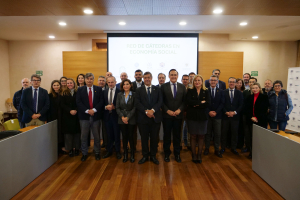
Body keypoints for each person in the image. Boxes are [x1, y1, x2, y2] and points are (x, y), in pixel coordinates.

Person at [135, 72, 162, 165]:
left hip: (155, 118)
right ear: (143, 78)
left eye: (148, 77)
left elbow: (160, 101)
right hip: (143, 119)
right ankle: (145, 155)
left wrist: (153, 110)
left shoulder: (157, 89)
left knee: (154, 138)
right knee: (144, 138)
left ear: (151, 78)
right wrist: (146, 111)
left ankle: (153, 155)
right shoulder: (139, 90)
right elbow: (137, 103)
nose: (147, 79)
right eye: (145, 77)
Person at [161, 69, 186, 163]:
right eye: (171, 75)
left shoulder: (182, 86)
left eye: (175, 75)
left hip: (178, 116)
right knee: (167, 135)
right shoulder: (163, 86)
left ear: (177, 76)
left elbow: (184, 101)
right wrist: (167, 110)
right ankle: (167, 154)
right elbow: (161, 101)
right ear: (168, 76)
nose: (173, 76)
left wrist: (180, 109)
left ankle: (177, 154)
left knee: (177, 136)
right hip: (167, 116)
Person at [76, 73, 103, 161]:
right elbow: (79, 102)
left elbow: (101, 102)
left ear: (93, 79)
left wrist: (94, 110)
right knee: (83, 136)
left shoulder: (98, 89)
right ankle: (84, 153)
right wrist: (88, 111)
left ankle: (97, 152)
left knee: (97, 136)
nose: (89, 80)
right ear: (85, 80)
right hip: (84, 117)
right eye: (87, 79)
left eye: (91, 79)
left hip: (96, 116)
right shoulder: (80, 89)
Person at [186, 74, 210, 163]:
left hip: (203, 117)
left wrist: (196, 104)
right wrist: (201, 103)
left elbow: (208, 103)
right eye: (195, 80)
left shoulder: (206, 91)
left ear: (202, 82)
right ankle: (193, 154)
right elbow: (189, 102)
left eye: (199, 80)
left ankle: (199, 154)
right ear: (193, 82)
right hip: (192, 117)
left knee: (201, 136)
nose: (197, 82)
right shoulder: (190, 91)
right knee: (193, 136)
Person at [245, 83, 269, 158]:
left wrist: (257, 118)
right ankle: (252, 153)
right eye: (253, 88)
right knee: (251, 138)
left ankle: (260, 154)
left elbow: (264, 110)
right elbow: (246, 109)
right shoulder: (249, 97)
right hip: (251, 120)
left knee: (259, 138)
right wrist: (251, 117)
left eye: (256, 88)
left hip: (260, 121)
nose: (255, 89)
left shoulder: (264, 97)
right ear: (251, 89)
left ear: (259, 88)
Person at [220, 77, 243, 155]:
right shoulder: (223, 92)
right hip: (225, 116)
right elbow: (221, 104)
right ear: (228, 83)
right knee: (224, 133)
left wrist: (235, 112)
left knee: (234, 133)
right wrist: (226, 112)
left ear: (236, 83)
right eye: (230, 82)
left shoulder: (239, 93)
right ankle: (222, 148)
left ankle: (233, 148)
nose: (232, 83)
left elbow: (241, 105)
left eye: (233, 82)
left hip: (235, 117)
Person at [204, 75, 224, 158]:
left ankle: (216, 149)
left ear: (217, 81)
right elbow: (204, 103)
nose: (212, 81)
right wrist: (209, 112)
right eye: (211, 80)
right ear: (209, 81)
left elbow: (222, 103)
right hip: (207, 116)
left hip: (217, 116)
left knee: (217, 134)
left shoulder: (221, 91)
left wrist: (216, 112)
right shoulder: (205, 91)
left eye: (214, 80)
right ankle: (207, 148)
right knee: (207, 133)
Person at [116, 79, 136, 163]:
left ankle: (132, 154)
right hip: (122, 119)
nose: (125, 86)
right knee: (124, 137)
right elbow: (117, 107)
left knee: (131, 137)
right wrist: (123, 117)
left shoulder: (134, 95)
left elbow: (135, 107)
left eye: (127, 84)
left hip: (131, 119)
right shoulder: (119, 94)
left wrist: (128, 117)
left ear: (130, 85)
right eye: (124, 84)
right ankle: (125, 154)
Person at [102, 76, 122, 159]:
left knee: (117, 135)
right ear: (107, 82)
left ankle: (118, 151)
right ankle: (109, 151)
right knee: (109, 135)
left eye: (112, 82)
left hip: (116, 116)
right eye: (109, 82)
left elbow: (122, 104)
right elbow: (101, 104)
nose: (110, 84)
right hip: (107, 117)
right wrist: (106, 107)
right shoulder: (104, 92)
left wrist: (115, 107)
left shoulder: (120, 92)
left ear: (115, 82)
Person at [61, 78, 81, 157]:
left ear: (74, 84)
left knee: (77, 133)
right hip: (67, 116)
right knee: (68, 134)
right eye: (68, 83)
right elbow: (62, 104)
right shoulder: (63, 93)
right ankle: (69, 149)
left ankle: (76, 149)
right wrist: (69, 110)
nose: (69, 84)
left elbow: (80, 102)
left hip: (77, 115)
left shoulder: (78, 92)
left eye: (71, 83)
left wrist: (75, 110)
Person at [48, 80, 64, 154]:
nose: (56, 86)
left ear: (60, 86)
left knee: (61, 132)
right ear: (52, 86)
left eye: (57, 85)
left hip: (62, 117)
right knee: (54, 133)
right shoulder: (49, 95)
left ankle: (61, 148)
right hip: (53, 117)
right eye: (54, 85)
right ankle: (55, 149)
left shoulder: (63, 94)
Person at [242, 77, 257, 152]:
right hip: (247, 116)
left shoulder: (259, 94)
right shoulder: (245, 92)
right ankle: (248, 147)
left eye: (253, 82)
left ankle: (254, 149)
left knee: (254, 134)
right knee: (247, 134)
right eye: (250, 82)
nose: (251, 83)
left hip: (256, 118)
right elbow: (244, 105)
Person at [97, 75, 108, 148]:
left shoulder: (108, 89)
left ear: (105, 82)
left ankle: (106, 143)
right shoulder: (95, 89)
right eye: (100, 80)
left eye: (103, 80)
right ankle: (97, 145)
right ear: (98, 82)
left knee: (105, 130)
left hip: (105, 113)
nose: (101, 82)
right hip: (96, 113)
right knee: (96, 130)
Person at [235, 78, 245, 149]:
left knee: (241, 129)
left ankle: (240, 144)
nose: (239, 84)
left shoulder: (244, 92)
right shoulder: (232, 91)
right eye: (237, 83)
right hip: (234, 113)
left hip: (242, 113)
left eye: (240, 83)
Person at [181, 74, 190, 149]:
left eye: (187, 79)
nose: (185, 80)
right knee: (180, 129)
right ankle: (180, 144)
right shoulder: (179, 88)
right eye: (184, 79)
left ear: (189, 80)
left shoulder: (191, 89)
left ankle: (188, 144)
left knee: (189, 129)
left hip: (189, 112)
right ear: (181, 80)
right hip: (180, 112)